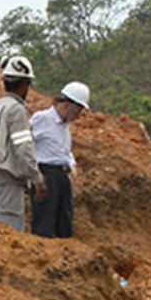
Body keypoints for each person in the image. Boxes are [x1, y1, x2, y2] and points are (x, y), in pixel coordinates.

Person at [0, 55, 45, 231]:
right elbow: (23, 148)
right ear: (26, 84)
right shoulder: (16, 109)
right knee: (10, 232)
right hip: (6, 178)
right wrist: (37, 179)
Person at [30, 81, 90, 238]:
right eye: (77, 111)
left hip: (62, 175)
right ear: (67, 104)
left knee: (65, 219)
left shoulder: (65, 125)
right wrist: (34, 175)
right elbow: (26, 146)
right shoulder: (42, 119)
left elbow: (63, 149)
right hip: (46, 174)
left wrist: (71, 163)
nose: (78, 116)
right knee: (45, 220)